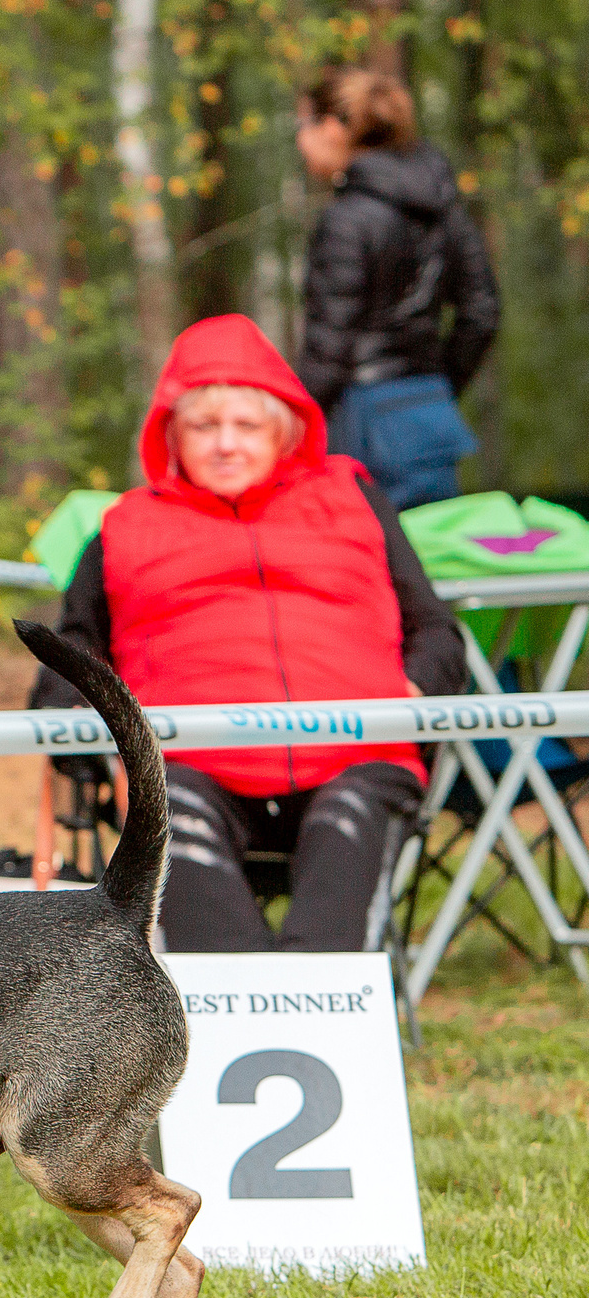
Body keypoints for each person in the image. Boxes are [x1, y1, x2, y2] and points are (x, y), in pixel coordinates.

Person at [31, 314, 463, 952]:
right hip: (185, 768)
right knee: (174, 827)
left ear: (284, 432)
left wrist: (414, 691)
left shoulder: (356, 500)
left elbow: (438, 631)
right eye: (204, 426)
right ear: (171, 435)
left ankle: (318, 1000)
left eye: (247, 426)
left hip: (357, 758)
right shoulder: (123, 528)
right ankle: (237, 1003)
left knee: (347, 844)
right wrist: (78, 721)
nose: (226, 445)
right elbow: (69, 657)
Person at [294, 65, 499, 511]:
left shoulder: (346, 219)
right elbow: (482, 312)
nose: (300, 142)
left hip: (361, 421)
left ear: (332, 128)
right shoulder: (445, 208)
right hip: (429, 414)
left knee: (362, 551)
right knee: (431, 549)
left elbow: (329, 350)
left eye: (302, 126)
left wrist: (288, 424)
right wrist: (438, 387)